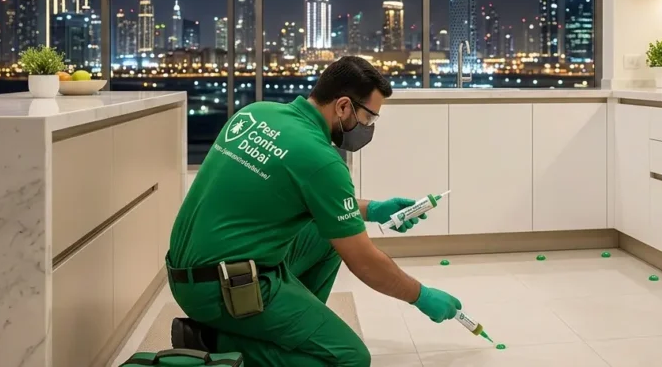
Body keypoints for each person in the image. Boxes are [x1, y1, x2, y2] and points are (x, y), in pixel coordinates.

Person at [166, 56, 462, 366]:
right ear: (344, 106)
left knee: (325, 238)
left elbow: (301, 194)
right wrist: (421, 296)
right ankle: (214, 342)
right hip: (223, 289)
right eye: (369, 118)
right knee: (349, 359)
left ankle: (288, 328)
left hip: (187, 270)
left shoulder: (256, 113)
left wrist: (374, 210)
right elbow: (364, 262)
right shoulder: (322, 161)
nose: (368, 128)